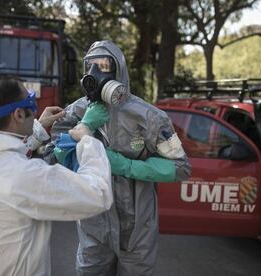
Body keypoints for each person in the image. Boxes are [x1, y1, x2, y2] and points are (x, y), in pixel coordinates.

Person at [44, 41, 191, 275]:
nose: (94, 74)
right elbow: (50, 158)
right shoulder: (76, 112)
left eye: (103, 66)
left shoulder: (149, 117)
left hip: (136, 232)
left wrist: (126, 165)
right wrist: (82, 129)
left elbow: (181, 167)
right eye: (89, 66)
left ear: (118, 71)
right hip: (93, 228)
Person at [0, 76, 113, 276]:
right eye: (31, 102)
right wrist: (87, 140)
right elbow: (98, 194)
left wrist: (37, 128)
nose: (35, 110)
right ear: (18, 114)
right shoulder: (27, 176)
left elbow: (3, 156)